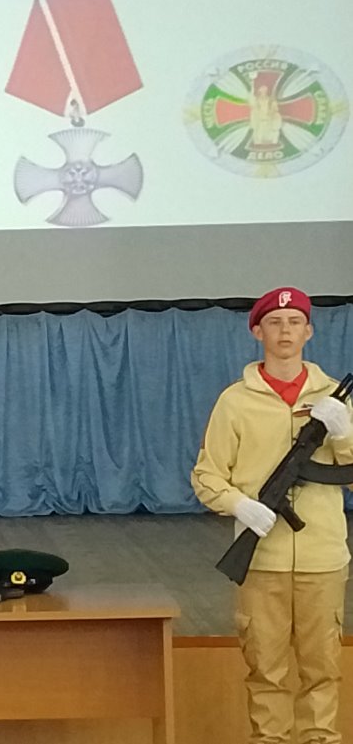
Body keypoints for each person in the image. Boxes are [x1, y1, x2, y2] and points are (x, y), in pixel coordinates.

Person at [191, 287, 353, 744]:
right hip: (262, 560)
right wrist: (239, 505)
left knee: (323, 669)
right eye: (275, 323)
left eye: (295, 322)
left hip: (323, 557)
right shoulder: (235, 401)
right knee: (266, 671)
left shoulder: (335, 400)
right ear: (257, 332)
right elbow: (206, 476)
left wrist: (343, 433)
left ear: (309, 332)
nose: (285, 331)